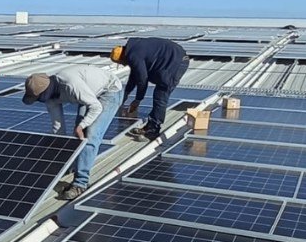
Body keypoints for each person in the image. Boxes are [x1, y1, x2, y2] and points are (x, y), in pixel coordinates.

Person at [22, 66, 122, 200]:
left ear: (43, 93)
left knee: (89, 136)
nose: (38, 101)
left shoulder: (70, 84)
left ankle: (81, 183)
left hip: (109, 90)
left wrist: (82, 125)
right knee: (77, 136)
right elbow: (58, 129)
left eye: (37, 98)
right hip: (89, 93)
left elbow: (95, 107)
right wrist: (59, 156)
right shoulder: (50, 98)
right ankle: (72, 166)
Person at [110, 37, 189, 141]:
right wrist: (125, 95)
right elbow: (134, 76)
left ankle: (153, 130)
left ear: (122, 58)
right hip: (173, 58)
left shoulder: (134, 55)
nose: (124, 65)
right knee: (159, 89)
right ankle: (149, 126)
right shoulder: (134, 48)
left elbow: (142, 80)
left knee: (161, 94)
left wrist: (138, 100)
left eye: (121, 63)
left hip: (176, 62)